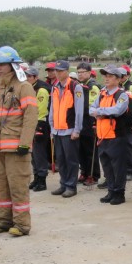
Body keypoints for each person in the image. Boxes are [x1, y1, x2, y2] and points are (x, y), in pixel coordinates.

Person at [0, 47, 38, 236]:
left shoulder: (24, 87)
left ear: (13, 65)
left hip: (16, 147)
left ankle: (22, 225)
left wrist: (25, 143)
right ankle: (4, 222)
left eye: (2, 65)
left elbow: (31, 116)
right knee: (1, 187)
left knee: (18, 187)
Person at [90, 65, 132, 204]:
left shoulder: (122, 94)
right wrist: (100, 111)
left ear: (118, 79)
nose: (106, 79)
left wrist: (100, 111)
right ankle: (111, 191)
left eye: (110, 76)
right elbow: (91, 109)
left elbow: (118, 110)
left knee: (118, 167)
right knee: (107, 166)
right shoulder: (102, 93)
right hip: (102, 137)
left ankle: (119, 194)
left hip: (116, 137)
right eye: (105, 76)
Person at [48, 60, 84, 198]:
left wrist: (77, 129)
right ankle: (63, 183)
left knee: (71, 159)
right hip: (57, 129)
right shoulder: (55, 86)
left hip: (69, 130)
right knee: (61, 159)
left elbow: (79, 110)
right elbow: (52, 108)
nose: (57, 73)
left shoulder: (75, 86)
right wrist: (51, 126)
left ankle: (71, 186)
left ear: (67, 71)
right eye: (56, 70)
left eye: (60, 71)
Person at [25, 65, 52, 191]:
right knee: (34, 154)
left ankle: (42, 180)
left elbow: (41, 110)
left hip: (40, 123)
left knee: (39, 153)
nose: (27, 78)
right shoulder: (31, 87)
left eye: (29, 76)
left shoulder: (41, 89)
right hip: (32, 123)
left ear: (36, 77)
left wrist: (37, 126)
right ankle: (36, 177)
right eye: (26, 76)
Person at [76, 62, 101, 186]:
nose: (80, 75)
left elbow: (92, 106)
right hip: (81, 121)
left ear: (89, 73)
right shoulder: (80, 85)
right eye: (78, 72)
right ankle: (84, 172)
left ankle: (93, 175)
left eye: (83, 72)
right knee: (81, 149)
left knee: (90, 150)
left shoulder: (93, 86)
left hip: (90, 121)